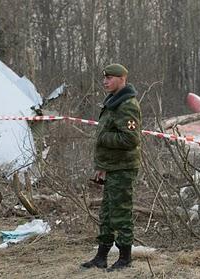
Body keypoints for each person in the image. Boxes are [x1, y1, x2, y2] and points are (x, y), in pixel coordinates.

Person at [81, 64, 141, 271]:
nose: (105, 81)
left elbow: (130, 138)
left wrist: (102, 136)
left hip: (123, 168)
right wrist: (102, 166)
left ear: (122, 78)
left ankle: (125, 258)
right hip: (112, 167)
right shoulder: (112, 102)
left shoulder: (127, 105)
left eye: (110, 77)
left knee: (121, 213)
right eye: (104, 78)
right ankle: (101, 257)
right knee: (106, 214)